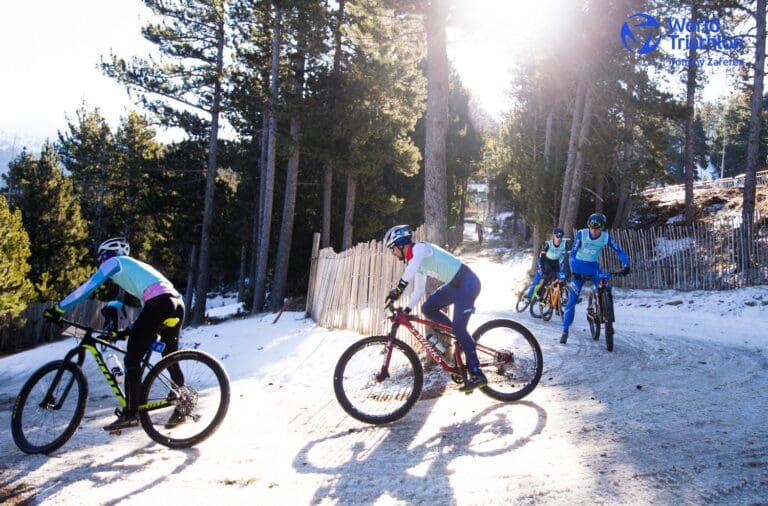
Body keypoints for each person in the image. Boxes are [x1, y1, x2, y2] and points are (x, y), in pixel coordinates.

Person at [43, 237, 186, 431]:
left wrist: (58, 309)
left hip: (159, 303)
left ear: (108, 253)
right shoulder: (136, 268)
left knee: (132, 359)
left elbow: (87, 288)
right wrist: (130, 329)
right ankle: (182, 402)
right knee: (169, 356)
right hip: (176, 304)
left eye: (101, 257)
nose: (100, 262)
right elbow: (151, 300)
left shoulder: (115, 262)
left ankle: (130, 413)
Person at [383, 225, 487, 393]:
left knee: (460, 330)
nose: (392, 253)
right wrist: (407, 310)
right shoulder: (415, 262)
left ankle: (477, 373)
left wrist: (399, 288)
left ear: (401, 244)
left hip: (468, 283)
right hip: (454, 286)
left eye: (392, 249)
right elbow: (418, 290)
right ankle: (457, 334)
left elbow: (410, 270)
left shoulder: (421, 249)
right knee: (428, 308)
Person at [560, 214, 630, 344]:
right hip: (578, 268)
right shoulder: (582, 234)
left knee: (607, 289)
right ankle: (565, 331)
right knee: (571, 301)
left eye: (597, 228)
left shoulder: (605, 237)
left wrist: (626, 264)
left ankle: (609, 322)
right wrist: (574, 271)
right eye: (591, 227)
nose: (593, 231)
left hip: (594, 268)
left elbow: (619, 250)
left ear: (602, 228)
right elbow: (572, 255)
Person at [524, 228, 568, 303]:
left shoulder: (564, 244)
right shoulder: (549, 244)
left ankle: (554, 298)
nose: (559, 239)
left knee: (557, 279)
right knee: (537, 280)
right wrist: (542, 267)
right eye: (557, 237)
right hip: (545, 262)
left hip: (555, 264)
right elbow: (542, 256)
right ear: (554, 236)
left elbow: (569, 252)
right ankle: (528, 296)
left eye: (560, 237)